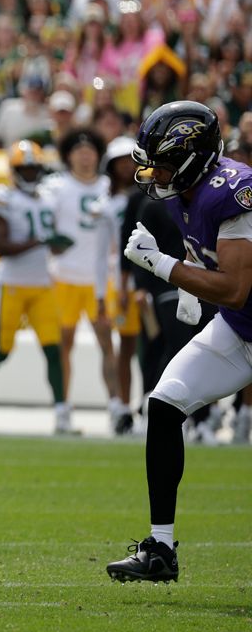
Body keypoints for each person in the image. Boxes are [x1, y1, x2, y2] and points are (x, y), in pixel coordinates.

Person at [108, 101, 252, 582]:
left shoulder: (233, 191)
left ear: (192, 158)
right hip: (239, 327)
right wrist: (194, 286)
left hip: (239, 312)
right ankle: (161, 550)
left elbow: (234, 286)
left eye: (164, 163)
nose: (155, 174)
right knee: (166, 404)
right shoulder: (187, 190)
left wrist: (165, 266)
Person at [0, 141, 74, 434]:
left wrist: (58, 245)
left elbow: (51, 247)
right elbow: (0, 246)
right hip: (13, 284)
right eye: (25, 169)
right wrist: (42, 241)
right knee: (3, 350)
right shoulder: (2, 197)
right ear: (14, 170)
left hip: (42, 283)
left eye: (34, 168)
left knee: (53, 350)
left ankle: (61, 413)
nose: (30, 174)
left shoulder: (48, 198)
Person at [45, 129, 123, 429]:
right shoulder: (56, 186)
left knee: (107, 342)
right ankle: (63, 407)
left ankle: (115, 406)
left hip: (100, 278)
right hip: (63, 276)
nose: (85, 154)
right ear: (68, 155)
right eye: (79, 150)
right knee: (63, 344)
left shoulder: (108, 186)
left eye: (90, 149)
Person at [103, 136, 145, 435]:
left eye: (130, 160)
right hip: (118, 277)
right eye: (120, 161)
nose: (126, 166)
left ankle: (149, 404)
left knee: (152, 344)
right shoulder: (104, 202)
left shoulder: (151, 195)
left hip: (146, 275)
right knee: (126, 345)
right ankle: (122, 405)